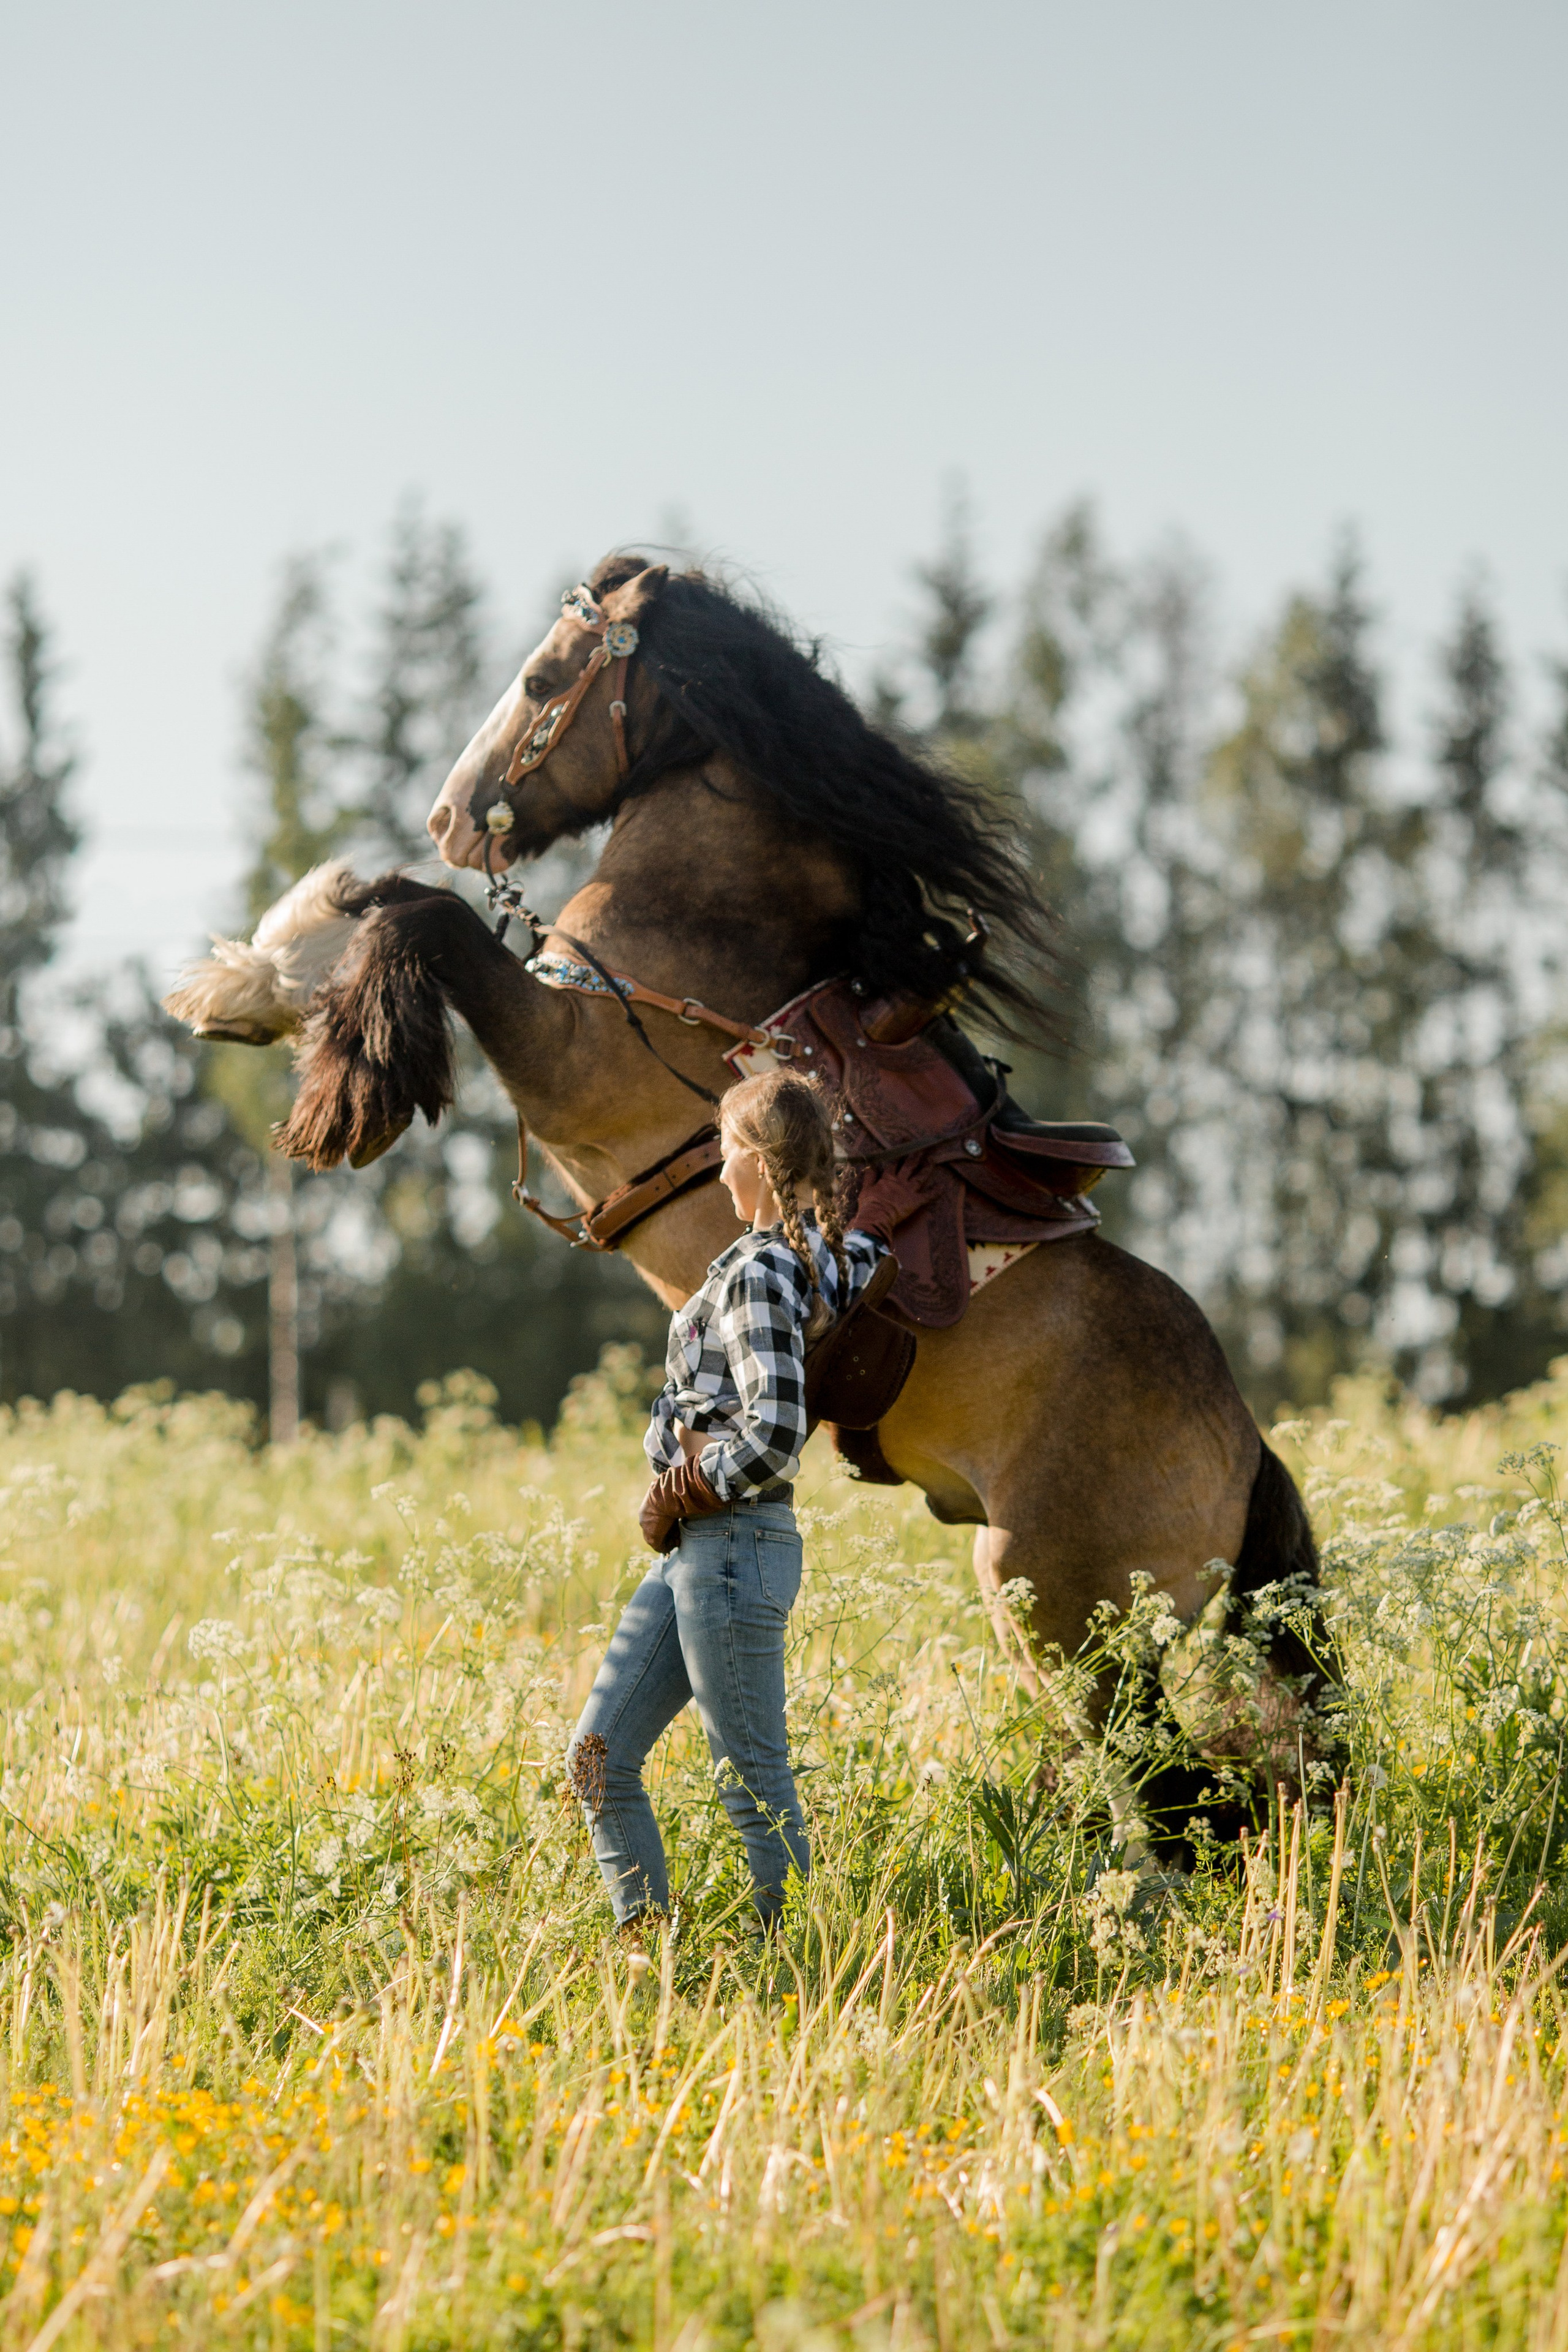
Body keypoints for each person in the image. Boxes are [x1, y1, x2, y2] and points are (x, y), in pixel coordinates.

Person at [565, 1069, 925, 1939]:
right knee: (595, 1759)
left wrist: (682, 1488)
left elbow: (774, 1432)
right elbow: (857, 1262)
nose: (718, 1171)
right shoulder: (822, 1255)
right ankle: (646, 1949)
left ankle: (797, 1967)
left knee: (752, 1779)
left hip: (729, 1544)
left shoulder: (765, 1268)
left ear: (761, 1161)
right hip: (705, 1553)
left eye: (725, 1151)